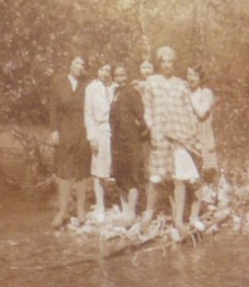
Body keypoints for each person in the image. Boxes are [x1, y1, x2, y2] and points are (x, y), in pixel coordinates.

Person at [144, 45, 200, 236]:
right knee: (156, 175)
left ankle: (178, 220)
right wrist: (152, 129)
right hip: (160, 133)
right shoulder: (151, 82)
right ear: (159, 63)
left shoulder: (181, 84)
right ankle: (148, 213)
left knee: (180, 177)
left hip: (180, 134)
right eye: (163, 61)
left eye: (170, 61)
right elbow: (147, 109)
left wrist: (191, 132)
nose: (167, 65)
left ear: (174, 64)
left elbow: (189, 109)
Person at [48, 55, 90, 228]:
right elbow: (52, 108)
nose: (79, 66)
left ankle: (80, 210)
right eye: (76, 63)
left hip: (83, 130)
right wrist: (54, 130)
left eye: (82, 63)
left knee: (82, 170)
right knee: (63, 170)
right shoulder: (59, 82)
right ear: (70, 65)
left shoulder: (88, 84)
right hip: (64, 130)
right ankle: (62, 211)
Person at [110, 65, 150, 221]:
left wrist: (139, 133)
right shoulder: (115, 93)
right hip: (117, 141)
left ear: (127, 76)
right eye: (117, 76)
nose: (120, 79)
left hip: (130, 140)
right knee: (120, 174)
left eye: (122, 76)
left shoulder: (132, 93)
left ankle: (131, 211)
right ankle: (125, 208)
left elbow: (141, 117)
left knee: (132, 173)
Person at [83, 62, 115, 222]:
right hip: (100, 130)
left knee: (115, 169)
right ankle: (100, 206)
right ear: (97, 70)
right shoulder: (92, 88)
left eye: (108, 70)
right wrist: (92, 137)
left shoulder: (115, 87)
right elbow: (88, 114)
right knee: (99, 171)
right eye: (102, 69)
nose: (104, 73)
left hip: (115, 131)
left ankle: (121, 204)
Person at [187, 64, 218, 182]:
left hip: (203, 139)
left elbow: (201, 113)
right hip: (189, 140)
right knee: (190, 176)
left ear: (201, 78)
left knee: (207, 174)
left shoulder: (206, 93)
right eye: (189, 74)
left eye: (195, 75)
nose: (191, 78)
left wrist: (188, 98)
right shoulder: (184, 92)